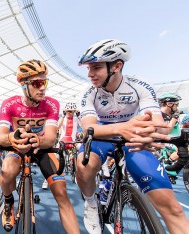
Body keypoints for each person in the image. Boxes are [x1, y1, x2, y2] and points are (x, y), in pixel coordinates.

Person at [76, 39, 189, 234]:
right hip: (103, 136)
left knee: (173, 209)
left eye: (95, 67)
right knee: (83, 165)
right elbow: (89, 129)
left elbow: (157, 123)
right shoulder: (88, 93)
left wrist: (153, 132)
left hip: (134, 136)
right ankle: (91, 202)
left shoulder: (140, 85)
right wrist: (124, 127)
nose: (90, 74)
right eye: (88, 68)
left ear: (117, 66)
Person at [0, 60, 80, 233]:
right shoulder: (9, 104)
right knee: (6, 173)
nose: (42, 88)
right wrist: (13, 137)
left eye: (45, 82)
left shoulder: (51, 104)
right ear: (24, 85)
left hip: (41, 147)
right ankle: (8, 200)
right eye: (37, 83)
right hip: (17, 145)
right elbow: (0, 138)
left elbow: (49, 138)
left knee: (62, 193)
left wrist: (35, 139)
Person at [42, 101, 80, 189]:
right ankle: (46, 181)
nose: (70, 113)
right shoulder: (63, 118)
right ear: (65, 111)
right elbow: (57, 127)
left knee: (83, 152)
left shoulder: (76, 119)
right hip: (63, 141)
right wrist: (63, 116)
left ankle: (79, 176)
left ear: (74, 111)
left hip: (73, 141)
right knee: (55, 159)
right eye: (68, 111)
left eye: (72, 111)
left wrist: (79, 116)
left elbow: (83, 125)